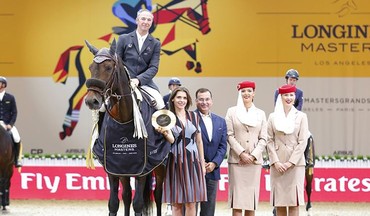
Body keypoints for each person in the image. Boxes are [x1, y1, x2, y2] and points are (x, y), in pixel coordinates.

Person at [162, 86, 207, 216]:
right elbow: (171, 140)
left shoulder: (194, 116)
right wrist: (165, 133)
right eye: (179, 97)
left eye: (184, 98)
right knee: (177, 203)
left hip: (193, 161)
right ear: (173, 99)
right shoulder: (167, 117)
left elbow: (199, 141)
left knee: (191, 202)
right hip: (174, 161)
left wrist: (202, 164)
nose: (182, 100)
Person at [225, 81, 267, 216]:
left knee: (250, 203)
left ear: (254, 93)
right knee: (237, 203)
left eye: (249, 91)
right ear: (239, 93)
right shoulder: (232, 112)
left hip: (254, 163)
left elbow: (264, 138)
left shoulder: (260, 114)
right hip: (237, 161)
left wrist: (253, 155)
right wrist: (242, 153)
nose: (246, 93)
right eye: (243, 91)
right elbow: (229, 135)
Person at [267, 84, 309, 216]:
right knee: (279, 203)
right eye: (286, 95)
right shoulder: (272, 117)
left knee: (293, 203)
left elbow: (302, 142)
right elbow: (269, 140)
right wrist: (276, 161)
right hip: (277, 164)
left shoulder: (301, 116)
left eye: (291, 95)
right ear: (281, 97)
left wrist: (290, 162)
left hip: (295, 165)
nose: (289, 98)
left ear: (295, 97)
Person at [116, 8, 165, 109]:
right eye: (143, 19)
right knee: (103, 106)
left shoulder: (156, 43)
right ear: (137, 20)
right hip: (123, 82)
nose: (146, 22)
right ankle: (98, 125)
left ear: (151, 23)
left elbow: (153, 67)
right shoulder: (123, 38)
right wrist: (125, 78)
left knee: (160, 104)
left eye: (149, 20)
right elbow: (117, 62)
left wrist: (138, 80)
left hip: (144, 83)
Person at [194, 88, 227, 216]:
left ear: (211, 101)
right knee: (191, 208)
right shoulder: (190, 118)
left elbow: (223, 146)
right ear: (196, 101)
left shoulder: (221, 121)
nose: (204, 102)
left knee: (209, 210)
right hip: (194, 170)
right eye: (201, 99)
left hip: (213, 171)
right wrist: (200, 163)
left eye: (207, 99)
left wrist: (214, 163)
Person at [0, 76, 22, 167]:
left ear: (4, 85)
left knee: (17, 138)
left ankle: (16, 160)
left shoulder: (10, 97)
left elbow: (15, 112)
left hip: (7, 124)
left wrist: (10, 125)